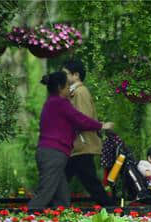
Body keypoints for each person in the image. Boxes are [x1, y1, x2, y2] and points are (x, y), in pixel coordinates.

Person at [28, 71, 114, 210]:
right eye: (68, 86)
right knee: (45, 192)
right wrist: (101, 125)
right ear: (60, 88)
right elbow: (79, 119)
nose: (70, 88)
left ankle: (61, 220)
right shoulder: (61, 103)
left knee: (61, 196)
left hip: (51, 153)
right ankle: (27, 218)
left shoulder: (51, 103)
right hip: (53, 154)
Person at [62, 59, 113, 206]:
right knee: (64, 178)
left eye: (65, 74)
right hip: (78, 145)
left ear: (76, 75)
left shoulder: (80, 92)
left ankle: (110, 208)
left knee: (88, 181)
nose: (63, 77)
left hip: (82, 144)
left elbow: (83, 118)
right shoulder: (74, 93)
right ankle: (110, 207)